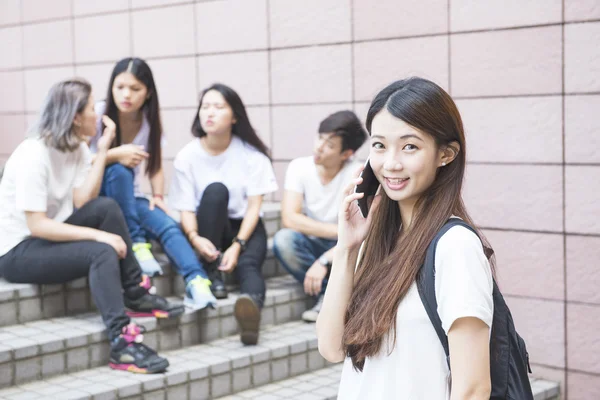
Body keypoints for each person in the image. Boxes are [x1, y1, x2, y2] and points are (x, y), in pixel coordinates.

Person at [317, 77, 494, 399]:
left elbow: (473, 388)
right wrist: (346, 248)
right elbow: (330, 348)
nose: (391, 163)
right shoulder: (381, 240)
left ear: (446, 154)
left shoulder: (455, 246)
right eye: (380, 145)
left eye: (410, 146)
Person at [0, 78, 182, 374]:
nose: (97, 114)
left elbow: (84, 199)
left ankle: (134, 291)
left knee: (106, 208)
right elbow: (36, 225)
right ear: (74, 117)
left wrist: (105, 147)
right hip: (16, 251)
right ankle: (122, 343)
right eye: (90, 109)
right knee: (101, 252)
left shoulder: (75, 147)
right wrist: (100, 237)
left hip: (46, 235)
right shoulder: (33, 154)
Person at [89, 58, 216, 310]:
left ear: (148, 92)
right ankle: (136, 243)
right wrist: (114, 154)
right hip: (97, 198)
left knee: (167, 224)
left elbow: (155, 164)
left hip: (129, 199)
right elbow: (77, 164)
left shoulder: (149, 121)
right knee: (119, 171)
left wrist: (158, 195)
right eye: (120, 87)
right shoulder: (96, 116)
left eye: (135, 89)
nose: (126, 95)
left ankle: (197, 281)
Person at [169, 83, 278, 345]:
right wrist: (195, 238)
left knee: (249, 266)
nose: (209, 113)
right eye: (205, 107)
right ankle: (211, 272)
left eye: (218, 107)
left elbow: (254, 207)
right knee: (215, 191)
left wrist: (238, 245)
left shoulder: (252, 155)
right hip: (208, 227)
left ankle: (250, 312)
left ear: (235, 116)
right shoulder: (187, 156)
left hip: (245, 227)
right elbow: (185, 208)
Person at [272, 111, 366, 322]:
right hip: (319, 242)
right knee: (284, 239)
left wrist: (323, 261)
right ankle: (327, 293)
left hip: (350, 247)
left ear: (346, 153)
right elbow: (290, 218)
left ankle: (341, 295)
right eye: (319, 138)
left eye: (330, 145)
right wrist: (338, 231)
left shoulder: (356, 174)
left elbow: (362, 234)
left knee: (366, 249)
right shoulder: (300, 167)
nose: (319, 148)